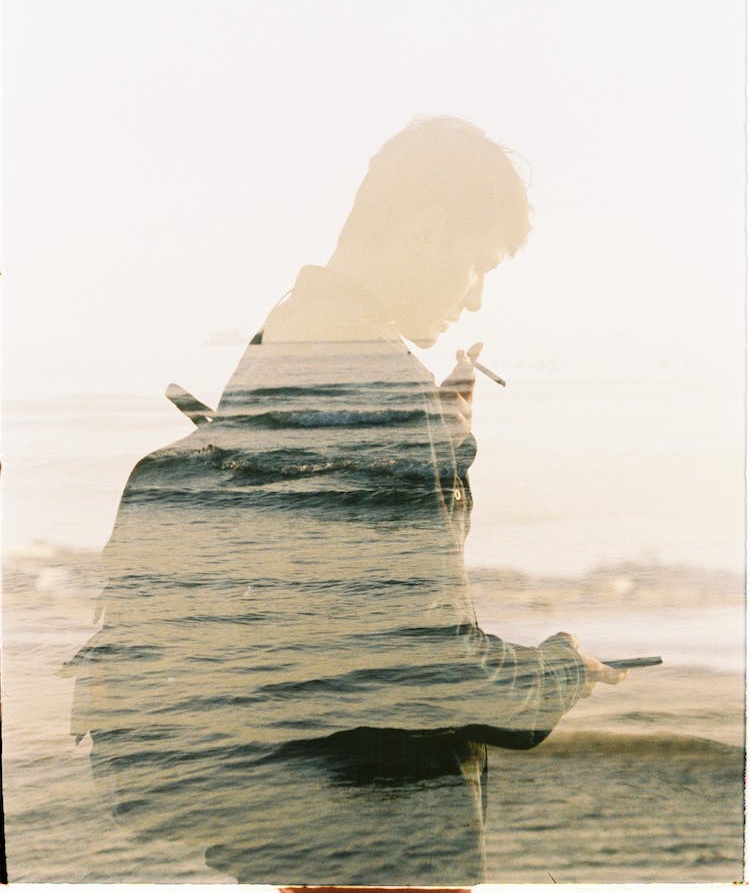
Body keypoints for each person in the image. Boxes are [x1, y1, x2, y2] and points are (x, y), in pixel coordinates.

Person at [68, 116, 624, 884]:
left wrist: (444, 444)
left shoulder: (280, 347)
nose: (474, 300)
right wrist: (562, 671)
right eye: (476, 266)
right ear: (428, 232)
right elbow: (426, 662)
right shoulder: (383, 391)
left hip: (292, 820)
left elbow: (326, 602)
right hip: (384, 834)